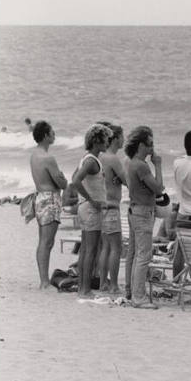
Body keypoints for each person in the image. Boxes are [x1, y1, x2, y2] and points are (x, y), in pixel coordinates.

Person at [124, 125, 164, 308]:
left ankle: (132, 291)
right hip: (142, 213)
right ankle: (138, 297)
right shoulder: (141, 165)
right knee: (143, 256)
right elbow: (158, 188)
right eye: (149, 144)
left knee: (135, 254)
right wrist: (158, 165)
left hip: (134, 210)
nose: (151, 148)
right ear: (141, 145)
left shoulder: (131, 162)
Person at [73, 123, 112, 297]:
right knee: (91, 249)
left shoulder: (87, 158)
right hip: (90, 209)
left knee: (85, 250)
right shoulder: (91, 161)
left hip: (84, 208)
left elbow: (76, 178)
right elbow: (75, 181)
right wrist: (92, 200)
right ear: (97, 141)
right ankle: (85, 289)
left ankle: (82, 287)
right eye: (105, 138)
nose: (107, 142)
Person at [29, 120, 68, 288]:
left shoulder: (34, 155)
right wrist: (63, 178)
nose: (54, 135)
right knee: (47, 242)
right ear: (45, 136)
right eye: (52, 133)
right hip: (50, 198)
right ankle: (44, 281)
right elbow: (62, 183)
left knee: (43, 241)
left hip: (39, 197)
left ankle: (43, 279)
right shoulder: (48, 158)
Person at [97, 123, 127, 293]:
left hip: (101, 205)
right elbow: (128, 180)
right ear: (115, 139)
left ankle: (103, 282)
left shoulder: (100, 157)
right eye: (122, 136)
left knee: (106, 247)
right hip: (112, 206)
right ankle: (114, 285)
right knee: (116, 247)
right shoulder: (113, 158)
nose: (124, 140)